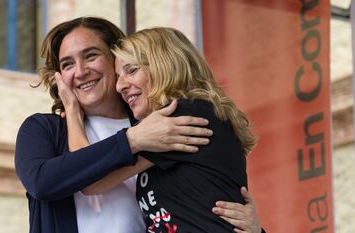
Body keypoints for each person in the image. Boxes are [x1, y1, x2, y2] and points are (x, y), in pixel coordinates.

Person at [15, 16, 263, 233]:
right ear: (59, 77)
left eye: (91, 56)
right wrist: (74, 114)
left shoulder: (162, 121)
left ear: (115, 60)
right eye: (67, 64)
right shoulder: (44, 129)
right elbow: (42, 182)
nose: (80, 72)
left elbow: (206, 198)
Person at [111, 26, 257, 232]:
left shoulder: (184, 115)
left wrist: (73, 113)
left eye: (131, 70)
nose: (120, 86)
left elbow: (94, 182)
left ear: (165, 64)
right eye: (118, 76)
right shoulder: (191, 113)